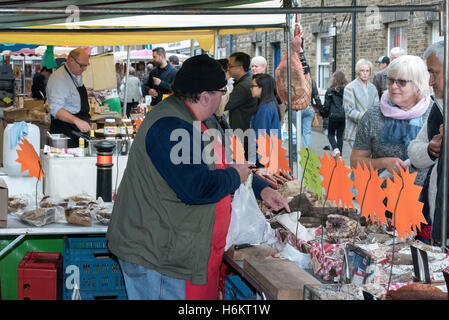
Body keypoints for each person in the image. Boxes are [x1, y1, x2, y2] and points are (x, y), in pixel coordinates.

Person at [106, 54, 290, 300]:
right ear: (205, 96)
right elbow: (196, 187)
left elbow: (222, 165)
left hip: (168, 247)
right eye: (221, 91)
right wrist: (235, 177)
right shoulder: (172, 126)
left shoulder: (192, 119)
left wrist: (261, 189)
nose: (223, 97)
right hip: (156, 255)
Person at [350, 55, 432, 188]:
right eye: (391, 80)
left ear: (418, 83)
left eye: (402, 82)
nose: (394, 86)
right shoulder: (373, 115)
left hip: (426, 202)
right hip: (381, 200)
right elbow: (355, 161)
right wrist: (383, 163)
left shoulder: (435, 115)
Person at [408, 41, 447, 244]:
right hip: (436, 219)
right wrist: (430, 150)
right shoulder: (438, 108)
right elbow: (414, 150)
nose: (430, 81)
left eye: (434, 73)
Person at [47, 48, 91, 147]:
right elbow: (56, 109)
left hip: (77, 130)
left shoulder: (75, 74)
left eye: (86, 65)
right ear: (71, 61)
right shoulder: (59, 79)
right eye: (81, 65)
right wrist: (77, 121)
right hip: (65, 132)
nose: (84, 69)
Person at [225, 52, 258, 158]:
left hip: (244, 136)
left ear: (240, 67)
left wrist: (224, 80)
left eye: (230, 66)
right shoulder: (244, 82)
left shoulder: (243, 86)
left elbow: (224, 105)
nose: (228, 69)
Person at [343, 58, 379, 149]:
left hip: (370, 131)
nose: (365, 73)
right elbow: (349, 111)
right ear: (358, 71)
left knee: (367, 161)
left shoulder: (373, 88)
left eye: (367, 71)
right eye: (362, 70)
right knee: (357, 162)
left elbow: (376, 108)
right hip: (355, 130)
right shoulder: (350, 88)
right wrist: (366, 118)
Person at [250, 73, 282, 164]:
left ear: (262, 87)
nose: (251, 88)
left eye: (253, 86)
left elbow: (261, 136)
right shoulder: (270, 104)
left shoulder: (265, 108)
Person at [322, 71, 348, 157]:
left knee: (331, 135)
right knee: (340, 136)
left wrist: (324, 115)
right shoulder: (347, 91)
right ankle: (339, 156)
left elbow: (326, 106)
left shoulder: (330, 91)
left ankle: (336, 150)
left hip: (333, 116)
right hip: (343, 116)